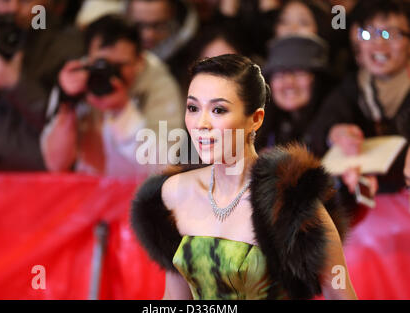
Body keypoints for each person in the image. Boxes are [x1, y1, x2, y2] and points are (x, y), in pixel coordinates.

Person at [131, 54, 357, 300]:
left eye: (218, 110)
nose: (201, 124)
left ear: (256, 119)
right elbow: (174, 300)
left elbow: (340, 295)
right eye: (193, 108)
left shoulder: (290, 201)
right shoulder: (174, 193)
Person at [41, 15, 184, 181]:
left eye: (119, 66)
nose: (109, 74)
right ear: (88, 58)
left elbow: (163, 165)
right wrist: (66, 105)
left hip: (140, 194)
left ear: (139, 61)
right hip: (89, 192)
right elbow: (56, 164)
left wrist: (122, 111)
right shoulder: (77, 80)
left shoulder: (159, 85)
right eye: (101, 63)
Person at [310, 0, 410, 194]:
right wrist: (335, 134)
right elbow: (320, 127)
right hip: (367, 201)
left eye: (392, 33)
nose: (379, 42)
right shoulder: (353, 85)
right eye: (368, 33)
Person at [0, 0, 83, 170]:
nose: (14, 8)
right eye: (5, 0)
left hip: (39, 180)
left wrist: (16, 85)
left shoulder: (68, 43)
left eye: (25, 1)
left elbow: (70, 125)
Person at [257, 34, 333, 149]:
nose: (289, 82)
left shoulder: (335, 120)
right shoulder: (260, 125)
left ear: (317, 79)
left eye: (299, 72)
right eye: (279, 74)